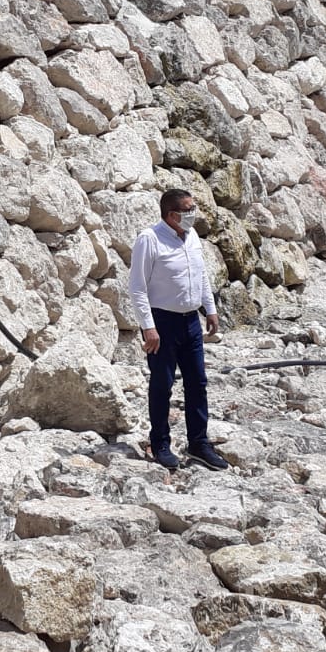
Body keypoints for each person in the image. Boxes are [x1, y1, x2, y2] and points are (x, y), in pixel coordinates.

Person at [128, 188, 227, 471]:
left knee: (198, 383)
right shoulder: (149, 239)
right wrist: (148, 327)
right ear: (172, 215)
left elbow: (200, 273)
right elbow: (137, 287)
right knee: (162, 384)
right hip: (163, 323)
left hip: (190, 322)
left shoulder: (192, 236)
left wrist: (210, 308)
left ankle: (199, 443)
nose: (193, 214)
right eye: (188, 210)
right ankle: (160, 443)